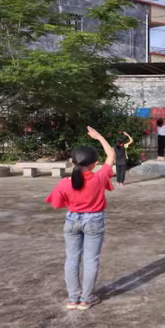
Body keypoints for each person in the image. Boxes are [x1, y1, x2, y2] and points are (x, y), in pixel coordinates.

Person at [45, 126, 115, 311]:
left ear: (73, 162)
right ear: (94, 164)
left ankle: (72, 298)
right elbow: (111, 156)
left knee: (72, 259)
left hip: (72, 220)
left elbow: (57, 202)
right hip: (94, 220)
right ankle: (86, 298)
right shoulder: (99, 177)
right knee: (91, 260)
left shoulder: (65, 182)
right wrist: (99, 137)